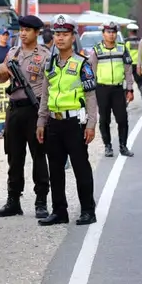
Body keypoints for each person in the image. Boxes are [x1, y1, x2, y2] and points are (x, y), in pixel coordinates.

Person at [36, 14, 98, 226]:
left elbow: (90, 97)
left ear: (73, 37)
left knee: (81, 168)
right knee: (55, 169)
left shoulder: (83, 63)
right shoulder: (49, 63)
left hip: (75, 124)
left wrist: (91, 124)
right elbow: (45, 94)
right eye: (57, 34)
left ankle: (88, 210)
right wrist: (41, 122)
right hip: (54, 123)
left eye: (65, 34)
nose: (60, 38)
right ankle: (59, 211)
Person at [0, 16, 51, 219]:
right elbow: (2, 79)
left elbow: (49, 88)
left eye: (27, 30)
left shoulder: (45, 55)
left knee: (38, 156)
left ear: (37, 33)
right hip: (14, 110)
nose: (23, 33)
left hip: (35, 110)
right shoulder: (12, 53)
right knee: (14, 157)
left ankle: (41, 201)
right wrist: (1, 70)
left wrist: (43, 117)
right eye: (21, 30)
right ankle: (13, 201)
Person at [89, 21, 134, 158]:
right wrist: (91, 93)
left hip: (118, 90)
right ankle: (108, 146)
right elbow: (92, 71)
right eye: (108, 32)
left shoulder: (122, 48)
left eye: (114, 32)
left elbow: (128, 70)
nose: (111, 35)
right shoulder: (97, 50)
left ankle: (123, 146)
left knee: (122, 119)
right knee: (104, 119)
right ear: (103, 34)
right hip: (102, 89)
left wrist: (130, 89)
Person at [124, 23, 142, 91]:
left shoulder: (126, 41)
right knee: (140, 82)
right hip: (138, 64)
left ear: (129, 32)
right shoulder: (141, 40)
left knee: (127, 82)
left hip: (129, 65)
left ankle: (126, 98)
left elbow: (124, 53)